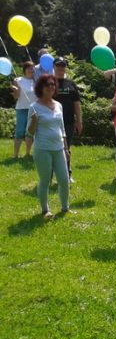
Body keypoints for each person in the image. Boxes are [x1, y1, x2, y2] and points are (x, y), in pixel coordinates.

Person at [26, 74, 72, 219]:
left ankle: (65, 208)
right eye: (48, 85)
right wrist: (34, 121)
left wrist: (66, 148)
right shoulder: (34, 107)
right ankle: (45, 210)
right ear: (41, 87)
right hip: (43, 149)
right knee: (45, 180)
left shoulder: (58, 105)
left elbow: (62, 128)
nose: (51, 87)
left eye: (53, 84)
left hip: (58, 148)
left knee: (64, 180)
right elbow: (30, 132)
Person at [53, 57, 83, 183]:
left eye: (63, 65)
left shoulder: (71, 84)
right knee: (52, 149)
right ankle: (48, 176)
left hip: (68, 122)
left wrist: (79, 120)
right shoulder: (48, 82)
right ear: (54, 67)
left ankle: (67, 175)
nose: (61, 68)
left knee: (66, 149)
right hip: (51, 122)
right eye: (58, 65)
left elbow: (77, 104)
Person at [11, 61, 36, 158]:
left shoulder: (36, 81)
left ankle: (27, 153)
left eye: (32, 68)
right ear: (24, 70)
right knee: (20, 132)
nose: (31, 70)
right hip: (21, 108)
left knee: (30, 132)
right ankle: (15, 155)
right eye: (28, 68)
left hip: (33, 109)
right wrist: (16, 90)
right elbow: (16, 97)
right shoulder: (18, 80)